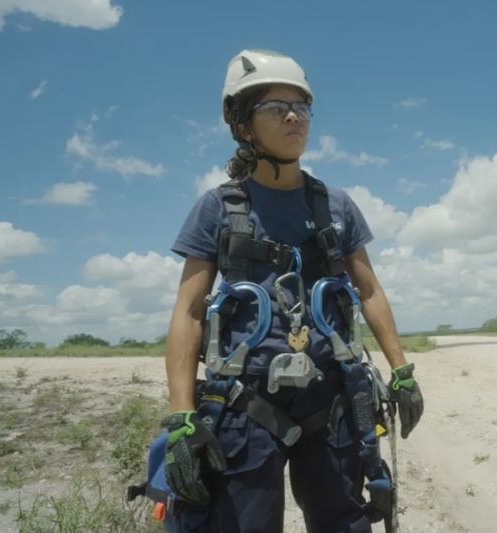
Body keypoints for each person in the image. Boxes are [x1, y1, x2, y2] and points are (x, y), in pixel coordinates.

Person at [162, 49, 425, 532]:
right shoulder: (218, 208)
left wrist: (402, 370)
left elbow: (369, 292)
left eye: (301, 108)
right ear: (243, 125)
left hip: (332, 395)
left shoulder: (336, 205)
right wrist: (181, 417)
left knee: (345, 522)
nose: (293, 117)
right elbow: (190, 311)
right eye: (275, 107)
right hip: (245, 402)